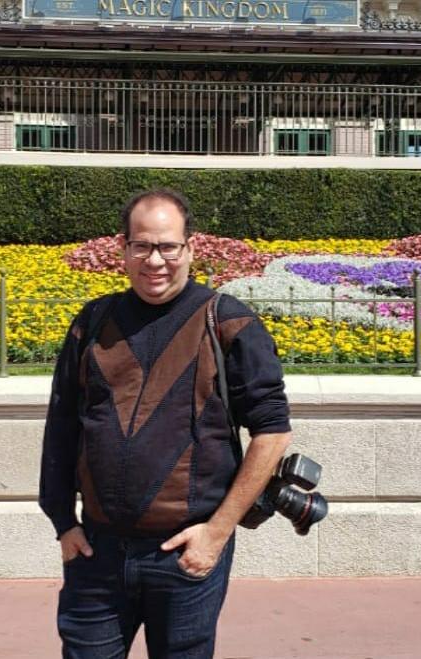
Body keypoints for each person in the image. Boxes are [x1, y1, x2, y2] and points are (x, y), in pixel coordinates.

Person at [39, 188, 292, 659]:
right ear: (124, 248)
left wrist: (215, 534)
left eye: (168, 246)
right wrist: (62, 523)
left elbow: (273, 432)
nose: (155, 260)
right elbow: (62, 425)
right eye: (142, 245)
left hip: (184, 556)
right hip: (96, 552)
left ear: (190, 248)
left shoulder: (229, 322)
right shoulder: (93, 321)